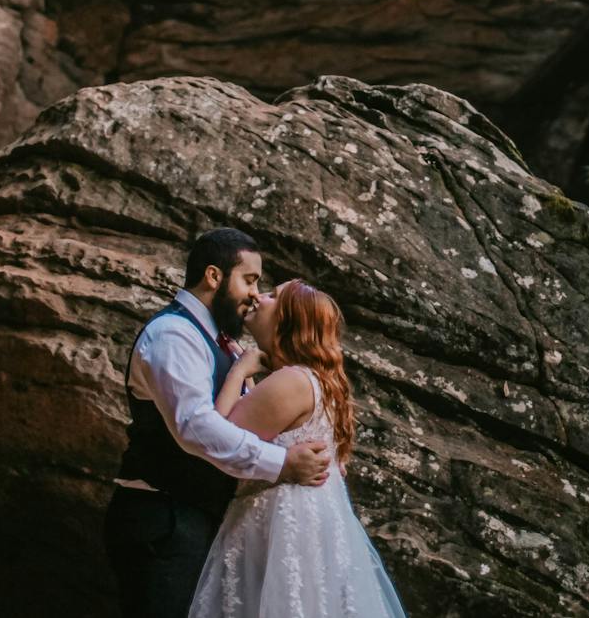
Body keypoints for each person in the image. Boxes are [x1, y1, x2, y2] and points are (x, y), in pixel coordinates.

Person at [107, 229, 333, 618]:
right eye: (249, 279)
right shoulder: (174, 336)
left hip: (193, 518)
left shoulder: (220, 341)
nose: (254, 293)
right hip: (163, 518)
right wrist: (282, 464)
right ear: (214, 276)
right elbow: (196, 428)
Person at [189, 281, 408, 618]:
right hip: (308, 524)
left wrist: (240, 370)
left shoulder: (291, 382)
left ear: (290, 320)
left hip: (282, 527)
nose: (259, 297)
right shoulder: (315, 382)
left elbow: (217, 439)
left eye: (274, 296)